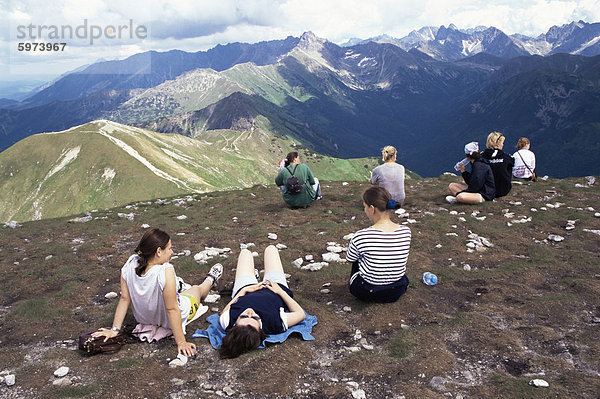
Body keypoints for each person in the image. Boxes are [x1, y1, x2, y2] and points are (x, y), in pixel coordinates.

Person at [92, 228, 223, 357]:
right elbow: (172, 309)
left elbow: (124, 299)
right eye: (169, 248)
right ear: (159, 251)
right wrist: (181, 342)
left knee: (176, 288)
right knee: (196, 289)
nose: (172, 252)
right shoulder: (166, 271)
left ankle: (179, 286)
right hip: (173, 316)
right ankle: (211, 279)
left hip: (144, 319)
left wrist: (114, 330)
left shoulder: (130, 263)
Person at [218, 246, 306, 358]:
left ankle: (254, 277)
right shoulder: (275, 323)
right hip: (274, 286)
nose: (250, 312)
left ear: (234, 324)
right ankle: (258, 275)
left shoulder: (228, 321)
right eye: (255, 318)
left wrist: (244, 291)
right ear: (260, 328)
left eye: (244, 316)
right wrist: (280, 291)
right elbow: (300, 314)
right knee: (271, 249)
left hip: (246, 287)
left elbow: (225, 312)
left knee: (245, 252)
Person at [345, 187, 411, 303]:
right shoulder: (406, 231)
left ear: (372, 208)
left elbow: (350, 259)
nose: (364, 209)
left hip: (368, 292)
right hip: (397, 290)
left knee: (358, 257)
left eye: (364, 206)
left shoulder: (361, 236)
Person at [481, 131, 514, 197]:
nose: (503, 145)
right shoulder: (507, 157)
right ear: (497, 143)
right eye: (502, 143)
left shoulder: (481, 157)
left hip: (485, 190)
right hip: (503, 190)